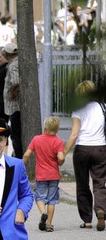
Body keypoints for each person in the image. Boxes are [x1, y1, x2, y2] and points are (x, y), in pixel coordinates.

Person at [63, 80, 106, 231]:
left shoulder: (78, 109)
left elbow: (74, 134)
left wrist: (64, 152)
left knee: (82, 185)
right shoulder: (103, 107)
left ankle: (87, 220)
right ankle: (101, 210)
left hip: (82, 149)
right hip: (100, 148)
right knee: (100, 182)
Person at [22, 116, 65, 232]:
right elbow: (60, 157)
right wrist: (60, 161)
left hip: (41, 175)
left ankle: (43, 212)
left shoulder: (36, 139)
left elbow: (27, 155)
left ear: (45, 127)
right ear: (57, 129)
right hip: (54, 175)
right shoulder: (59, 142)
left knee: (40, 197)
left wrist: (21, 166)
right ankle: (49, 224)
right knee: (52, 200)